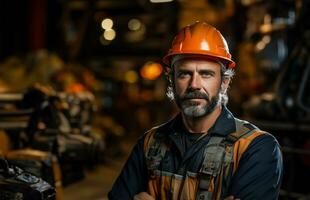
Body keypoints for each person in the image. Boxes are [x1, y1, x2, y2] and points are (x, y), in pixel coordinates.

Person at [108, 21, 283, 200]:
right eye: (185, 74)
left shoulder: (255, 148)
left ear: (224, 82)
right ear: (172, 80)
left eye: (206, 74)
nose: (194, 85)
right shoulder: (149, 144)